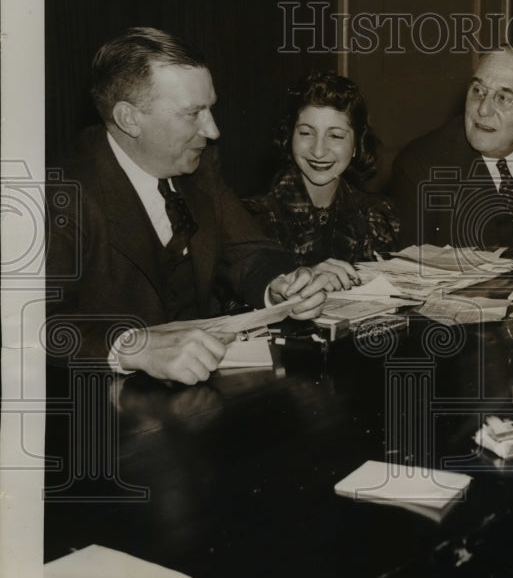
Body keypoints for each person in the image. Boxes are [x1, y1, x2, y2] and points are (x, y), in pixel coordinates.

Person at [46, 27, 329, 386]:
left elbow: (248, 252)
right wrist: (134, 347)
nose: (212, 131)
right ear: (129, 118)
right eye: (192, 113)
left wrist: (282, 286)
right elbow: (27, 322)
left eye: (210, 108)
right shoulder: (60, 193)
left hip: (195, 402)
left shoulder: (199, 165)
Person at [389, 47, 513, 254]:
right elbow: (414, 270)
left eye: (503, 98)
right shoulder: (421, 166)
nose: (483, 110)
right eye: (478, 91)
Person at [244, 71, 399, 291]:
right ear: (289, 137)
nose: (318, 151)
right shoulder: (253, 216)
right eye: (306, 133)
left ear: (356, 145)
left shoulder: (379, 216)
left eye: (335, 136)